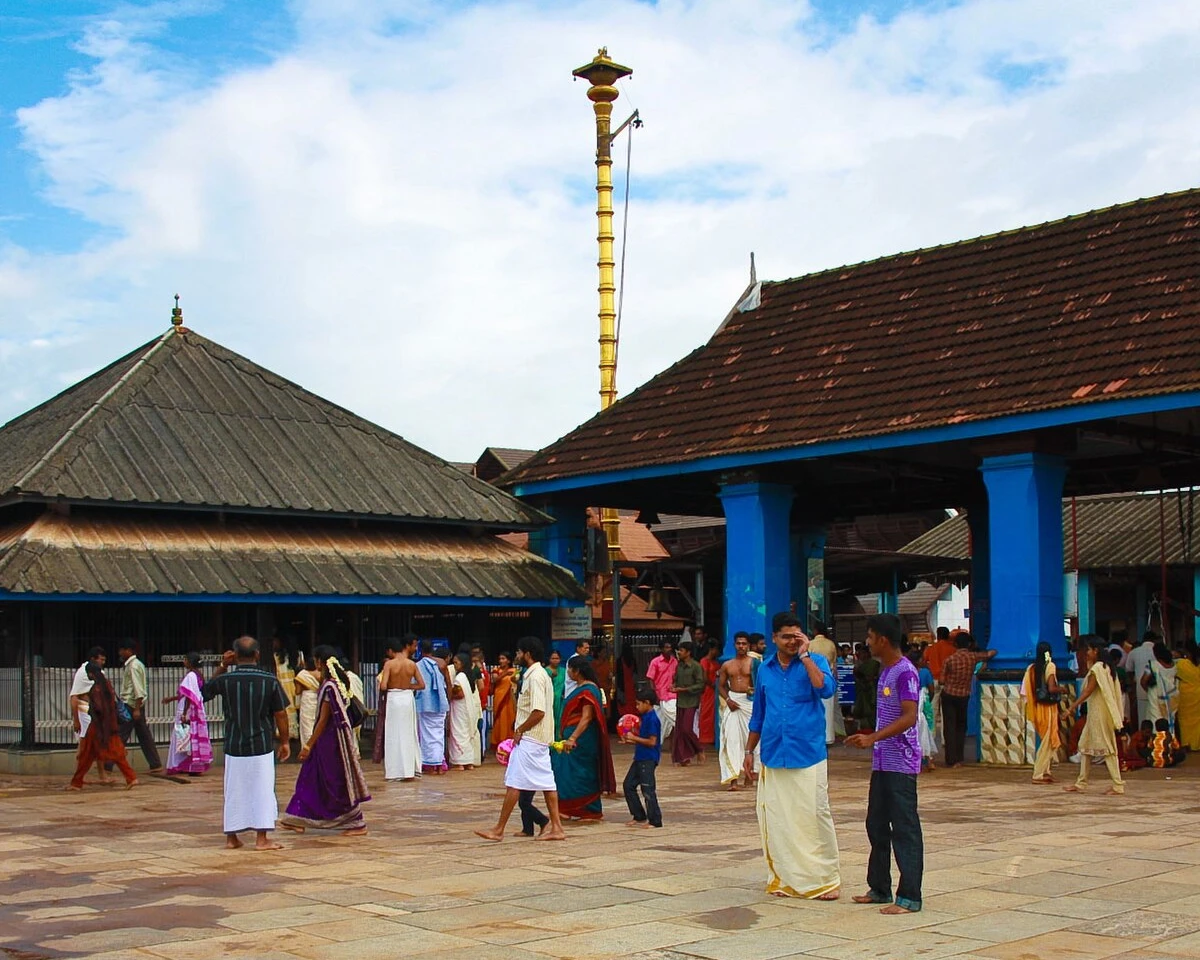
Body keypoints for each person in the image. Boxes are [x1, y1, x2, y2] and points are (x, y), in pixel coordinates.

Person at [744, 612, 840, 901]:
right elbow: (759, 714)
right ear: (774, 638)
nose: (790, 642)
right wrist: (749, 751)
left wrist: (806, 656)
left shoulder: (815, 662)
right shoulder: (765, 669)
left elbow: (825, 689)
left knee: (814, 815)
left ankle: (826, 879)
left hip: (808, 752)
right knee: (778, 819)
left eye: (796, 636)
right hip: (773, 753)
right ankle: (786, 878)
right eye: (785, 636)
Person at [845, 613, 924, 914]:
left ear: (883, 640)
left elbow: (909, 716)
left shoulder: (905, 673)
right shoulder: (885, 672)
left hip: (901, 764)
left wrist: (874, 737)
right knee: (876, 824)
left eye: (869, 636)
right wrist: (871, 738)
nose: (866, 642)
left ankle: (910, 896)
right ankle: (879, 887)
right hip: (882, 762)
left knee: (904, 827)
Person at [201, 636, 290, 850]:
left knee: (233, 790)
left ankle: (232, 837)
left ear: (235, 655)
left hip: (234, 744)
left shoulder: (226, 680)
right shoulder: (269, 680)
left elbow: (204, 693)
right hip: (261, 743)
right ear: (257, 654)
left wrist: (222, 666)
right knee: (262, 790)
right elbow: (280, 714)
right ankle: (262, 839)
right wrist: (285, 741)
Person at [475, 636, 566, 842]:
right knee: (547, 782)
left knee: (514, 782)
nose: (516, 656)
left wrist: (520, 730)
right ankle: (557, 827)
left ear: (527, 654)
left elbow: (538, 711)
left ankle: (499, 829)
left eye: (518, 652)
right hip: (539, 738)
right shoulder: (538, 674)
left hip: (531, 738)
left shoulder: (535, 676)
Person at [280, 646, 371, 835]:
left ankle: (356, 821)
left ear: (320, 662)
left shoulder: (330, 686)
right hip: (328, 741)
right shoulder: (335, 683)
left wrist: (308, 745)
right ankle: (297, 817)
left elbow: (323, 720)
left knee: (332, 780)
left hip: (329, 742)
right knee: (313, 778)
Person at [551, 656, 616, 820]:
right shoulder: (580, 688)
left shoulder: (589, 690)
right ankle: (568, 808)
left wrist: (572, 738)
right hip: (574, 740)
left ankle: (588, 809)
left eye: (570, 670)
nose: (568, 673)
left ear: (577, 671)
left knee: (581, 774)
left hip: (581, 741)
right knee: (565, 772)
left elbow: (586, 717)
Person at [1064, 637, 1126, 796]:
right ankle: (1081, 782)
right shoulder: (1105, 667)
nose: (1086, 653)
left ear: (1096, 651)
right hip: (1097, 713)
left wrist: (1072, 707)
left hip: (1099, 714)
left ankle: (1118, 785)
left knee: (1108, 748)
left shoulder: (1098, 668)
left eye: (1089, 650)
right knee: (1085, 746)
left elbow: (1088, 691)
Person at [67, 662, 139, 791]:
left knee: (87, 754)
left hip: (98, 726)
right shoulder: (107, 685)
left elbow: (99, 708)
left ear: (90, 674)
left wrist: (90, 708)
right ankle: (131, 777)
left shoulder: (96, 688)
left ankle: (76, 783)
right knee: (113, 753)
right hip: (109, 725)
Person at [939, 632, 996, 767]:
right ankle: (959, 758)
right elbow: (989, 654)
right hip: (963, 696)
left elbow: (941, 680)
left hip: (948, 695)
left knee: (949, 727)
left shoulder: (949, 660)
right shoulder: (972, 657)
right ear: (969, 644)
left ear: (955, 644)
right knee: (961, 727)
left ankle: (951, 760)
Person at [111, 641, 164, 776]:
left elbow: (138, 689)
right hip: (135, 705)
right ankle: (155, 763)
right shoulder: (136, 664)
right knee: (144, 735)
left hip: (131, 705)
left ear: (128, 650)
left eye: (122, 650)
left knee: (120, 734)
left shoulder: (133, 666)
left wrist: (136, 708)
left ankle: (107, 764)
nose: (120, 653)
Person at [378, 634, 423, 781]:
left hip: (394, 697)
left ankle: (395, 771)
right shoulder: (411, 664)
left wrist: (393, 685)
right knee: (408, 732)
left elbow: (383, 685)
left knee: (393, 733)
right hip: (407, 697)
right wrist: (408, 686)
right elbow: (422, 685)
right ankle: (410, 769)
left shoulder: (389, 664)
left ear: (391, 651)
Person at [718, 632, 759, 790]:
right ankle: (733, 780)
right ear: (734, 645)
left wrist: (753, 691)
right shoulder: (727, 665)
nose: (741, 646)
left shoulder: (755, 663)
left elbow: (761, 685)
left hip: (749, 704)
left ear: (748, 645)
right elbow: (721, 686)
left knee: (752, 740)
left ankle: (749, 776)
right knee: (730, 740)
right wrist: (728, 700)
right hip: (733, 703)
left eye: (744, 643)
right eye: (738, 643)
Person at [163, 652, 214, 776]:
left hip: (188, 709)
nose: (183, 661)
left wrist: (185, 712)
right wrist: (171, 699)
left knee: (182, 736)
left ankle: (181, 764)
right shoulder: (197, 675)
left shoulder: (191, 675)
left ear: (190, 661)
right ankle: (189, 764)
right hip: (193, 709)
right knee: (188, 737)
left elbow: (190, 696)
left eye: (185, 659)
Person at [1021, 641, 1061, 784]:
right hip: (1048, 708)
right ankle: (1038, 774)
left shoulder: (1032, 668)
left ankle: (1046, 771)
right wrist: (1063, 690)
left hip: (1038, 707)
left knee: (1047, 739)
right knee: (1047, 741)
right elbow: (1051, 688)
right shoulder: (1050, 666)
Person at [69, 646, 111, 785]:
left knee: (96, 745)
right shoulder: (83, 674)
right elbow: (74, 698)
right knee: (83, 747)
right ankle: (79, 776)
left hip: (94, 714)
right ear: (93, 659)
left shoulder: (97, 673)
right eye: (101, 660)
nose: (103, 662)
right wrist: (76, 720)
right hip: (84, 713)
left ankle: (101, 774)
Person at [622, 689, 663, 828]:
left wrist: (634, 738)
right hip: (640, 757)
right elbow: (642, 739)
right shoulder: (645, 717)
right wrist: (631, 741)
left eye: (639, 704)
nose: (637, 707)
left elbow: (652, 742)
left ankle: (655, 820)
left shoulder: (652, 719)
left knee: (648, 789)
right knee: (628, 785)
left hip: (648, 758)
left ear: (647, 703)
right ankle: (639, 815)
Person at [415, 638, 450, 774]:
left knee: (427, 735)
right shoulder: (441, 663)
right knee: (438, 734)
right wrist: (448, 701)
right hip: (440, 702)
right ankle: (439, 765)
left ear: (420, 650)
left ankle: (430, 765)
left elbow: (416, 684)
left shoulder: (417, 665)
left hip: (425, 703)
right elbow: (448, 683)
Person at [669, 640, 706, 765]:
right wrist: (673, 686)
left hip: (691, 701)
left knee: (686, 729)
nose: (679, 652)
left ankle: (699, 749)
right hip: (680, 701)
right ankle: (684, 757)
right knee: (679, 731)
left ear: (688, 653)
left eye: (681, 650)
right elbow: (676, 680)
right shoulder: (679, 666)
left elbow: (701, 684)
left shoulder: (696, 666)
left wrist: (684, 689)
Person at [448, 651, 483, 769]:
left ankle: (460, 762)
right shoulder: (468, 676)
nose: (455, 665)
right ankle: (468, 762)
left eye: (456, 663)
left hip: (459, 708)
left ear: (462, 663)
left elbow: (460, 694)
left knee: (459, 732)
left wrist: (449, 696)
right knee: (466, 733)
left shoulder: (459, 677)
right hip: (466, 708)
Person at [809, 620, 841, 745]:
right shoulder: (831, 644)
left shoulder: (811, 644)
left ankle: (817, 736)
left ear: (816, 631)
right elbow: (834, 664)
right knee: (829, 710)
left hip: (813, 680)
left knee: (815, 709)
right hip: (828, 679)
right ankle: (829, 737)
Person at [645, 639, 679, 743]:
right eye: (666, 647)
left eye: (670, 647)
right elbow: (651, 679)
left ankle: (674, 744)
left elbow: (677, 677)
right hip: (660, 695)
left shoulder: (675, 661)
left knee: (673, 720)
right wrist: (654, 694)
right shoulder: (655, 662)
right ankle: (656, 742)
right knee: (661, 722)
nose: (668, 649)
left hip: (672, 696)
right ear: (661, 649)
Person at [910, 648, 937, 772]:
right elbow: (932, 690)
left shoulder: (908, 672)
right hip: (924, 704)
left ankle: (915, 760)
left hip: (912, 704)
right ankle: (928, 760)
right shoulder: (925, 672)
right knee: (928, 731)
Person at [1141, 640, 1179, 729]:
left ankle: (1157, 741)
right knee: (1170, 719)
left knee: (1155, 721)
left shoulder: (1152, 665)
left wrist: (1149, 691)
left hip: (1155, 698)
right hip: (1171, 697)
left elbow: (1143, 681)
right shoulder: (1174, 665)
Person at [1125, 631, 1160, 726]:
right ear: (1154, 640)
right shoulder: (1158, 652)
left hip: (1140, 691)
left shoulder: (1134, 652)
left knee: (1143, 719)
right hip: (1159, 691)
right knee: (1157, 719)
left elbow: (1129, 670)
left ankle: (1143, 739)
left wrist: (1133, 686)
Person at [272, 635, 301, 745]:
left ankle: (284, 735)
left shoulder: (275, 657)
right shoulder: (295, 656)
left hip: (282, 684)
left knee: (283, 710)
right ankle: (291, 734)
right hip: (293, 685)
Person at [489, 652, 517, 751]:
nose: (501, 661)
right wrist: (505, 673)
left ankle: (509, 743)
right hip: (499, 699)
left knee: (509, 719)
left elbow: (516, 682)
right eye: (500, 659)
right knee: (499, 720)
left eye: (503, 658)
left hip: (509, 699)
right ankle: (498, 743)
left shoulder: (514, 671)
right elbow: (494, 680)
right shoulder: (496, 670)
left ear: (509, 660)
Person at [1176, 639, 1200, 751]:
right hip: (1198, 695)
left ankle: (1187, 743)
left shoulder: (1181, 664)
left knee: (1185, 721)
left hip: (1185, 696)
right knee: (1197, 721)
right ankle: (1197, 744)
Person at [293, 653, 321, 748]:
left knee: (307, 725)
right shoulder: (320, 673)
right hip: (319, 699)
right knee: (318, 723)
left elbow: (297, 691)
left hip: (307, 699)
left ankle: (308, 748)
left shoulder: (302, 675)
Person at [698, 638, 721, 749]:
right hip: (708, 690)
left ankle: (712, 737)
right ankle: (705, 737)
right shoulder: (704, 661)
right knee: (706, 713)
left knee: (714, 713)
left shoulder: (715, 662)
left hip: (715, 690)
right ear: (712, 649)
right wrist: (713, 685)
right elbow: (704, 677)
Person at [547, 650, 567, 738]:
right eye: (553, 658)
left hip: (561, 700)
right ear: (549, 659)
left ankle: (559, 742)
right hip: (550, 700)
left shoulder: (563, 671)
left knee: (560, 721)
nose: (555, 660)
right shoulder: (545, 671)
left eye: (557, 658)